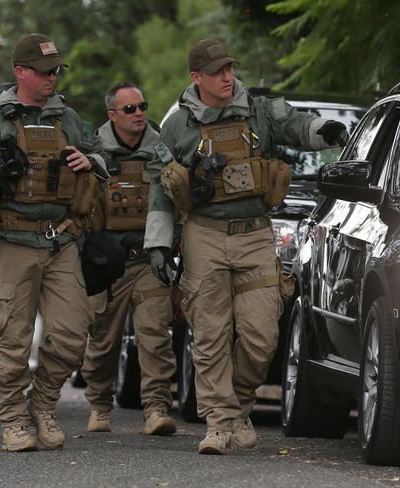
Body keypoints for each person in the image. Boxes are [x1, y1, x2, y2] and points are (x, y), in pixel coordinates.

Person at [144, 38, 349, 455]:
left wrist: (323, 132)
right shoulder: (177, 126)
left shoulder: (259, 110)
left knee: (261, 336)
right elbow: (161, 190)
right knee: (210, 334)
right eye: (217, 71)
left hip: (255, 233)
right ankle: (219, 422)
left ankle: (237, 404)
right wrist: (159, 246)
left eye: (229, 68)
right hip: (203, 234)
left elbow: (297, 124)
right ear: (196, 77)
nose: (226, 76)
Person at [0, 33, 108, 452]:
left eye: (57, 71)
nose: (53, 78)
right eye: (44, 71)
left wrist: (90, 161)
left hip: (62, 241)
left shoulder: (68, 118)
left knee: (74, 333)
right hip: (14, 243)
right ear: (21, 72)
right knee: (13, 339)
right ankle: (15, 420)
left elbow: (101, 152)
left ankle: (42, 404)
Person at [82, 82, 177, 436]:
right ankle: (100, 404)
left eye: (142, 106)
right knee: (102, 338)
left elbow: (177, 198)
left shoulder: (162, 150)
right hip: (109, 264)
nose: (139, 114)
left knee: (155, 335)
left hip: (149, 259)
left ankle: (155, 408)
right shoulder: (93, 152)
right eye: (130, 109)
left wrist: (169, 247)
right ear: (112, 116)